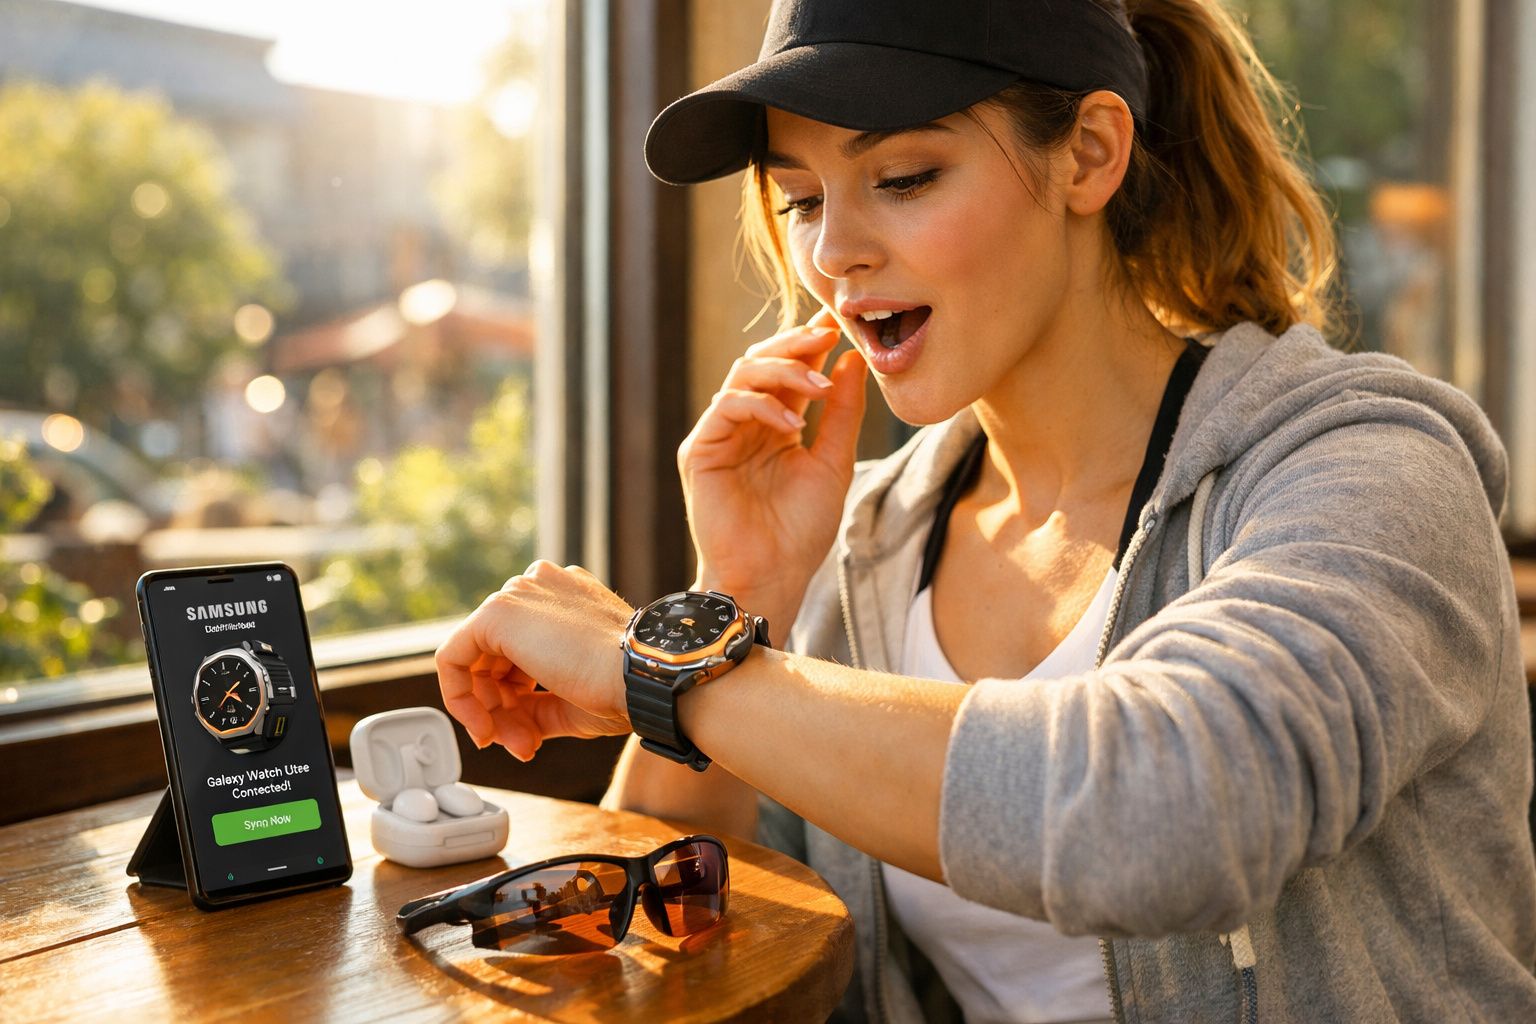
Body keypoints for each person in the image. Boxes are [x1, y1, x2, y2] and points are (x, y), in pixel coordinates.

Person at [434, 1, 1536, 1020]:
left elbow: (1165, 815)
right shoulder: (867, 545)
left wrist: (663, 666)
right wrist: (739, 592)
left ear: (1089, 154)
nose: (832, 253)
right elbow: (679, 918)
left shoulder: (1372, 463)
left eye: (904, 177)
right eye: (803, 200)